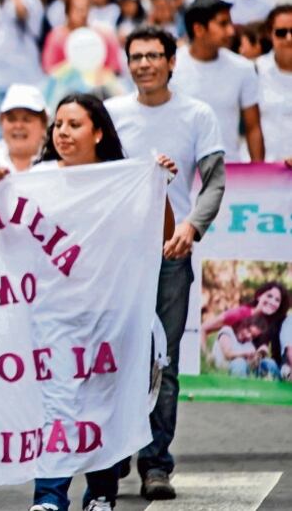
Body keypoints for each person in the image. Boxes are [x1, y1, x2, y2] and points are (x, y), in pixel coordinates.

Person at [0, 92, 169, 511]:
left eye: (74, 125)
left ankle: (101, 493)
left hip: (111, 314)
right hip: (52, 314)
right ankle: (51, 497)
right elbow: (5, 241)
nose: (63, 133)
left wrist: (159, 184)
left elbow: (157, 233)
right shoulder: (35, 179)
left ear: (97, 132)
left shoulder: (121, 179)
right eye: (58, 125)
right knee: (56, 404)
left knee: (103, 405)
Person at [105, 26, 227, 501]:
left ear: (172, 62)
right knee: (114, 357)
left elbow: (214, 181)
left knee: (163, 360)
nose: (144, 64)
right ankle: (113, 454)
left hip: (169, 255)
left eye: (154, 55)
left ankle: (156, 464)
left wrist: (191, 227)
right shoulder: (112, 114)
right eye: (136, 56)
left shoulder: (197, 115)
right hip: (115, 258)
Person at [173, 0, 264, 162]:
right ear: (199, 29)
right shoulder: (170, 69)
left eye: (230, 23)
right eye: (223, 24)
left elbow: (253, 127)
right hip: (182, 175)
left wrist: (259, 175)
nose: (231, 31)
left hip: (230, 171)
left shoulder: (243, 68)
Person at [41, 0, 122, 75]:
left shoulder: (104, 35)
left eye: (86, 8)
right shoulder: (56, 37)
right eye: (78, 9)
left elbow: (115, 69)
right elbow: (49, 69)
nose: (83, 14)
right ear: (67, 11)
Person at [201, 283, 289, 358]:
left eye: (277, 300)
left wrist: (262, 351)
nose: (272, 302)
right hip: (229, 358)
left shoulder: (273, 321)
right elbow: (203, 328)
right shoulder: (240, 313)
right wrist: (206, 356)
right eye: (269, 296)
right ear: (259, 296)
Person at [0, 84, 48, 174]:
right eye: (12, 119)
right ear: (0, 122)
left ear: (44, 124)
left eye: (27, 119)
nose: (18, 126)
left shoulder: (60, 161)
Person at [256, 5, 292, 161]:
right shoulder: (254, 70)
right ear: (270, 34)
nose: (289, 38)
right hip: (267, 172)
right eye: (281, 33)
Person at [211, 315, 278, 378]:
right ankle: (238, 388)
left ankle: (277, 387)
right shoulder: (227, 331)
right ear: (243, 325)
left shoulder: (249, 344)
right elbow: (227, 354)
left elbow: (250, 366)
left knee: (269, 362)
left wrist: (258, 356)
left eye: (253, 336)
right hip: (225, 368)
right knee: (239, 362)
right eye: (248, 330)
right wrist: (245, 354)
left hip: (242, 371)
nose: (248, 336)